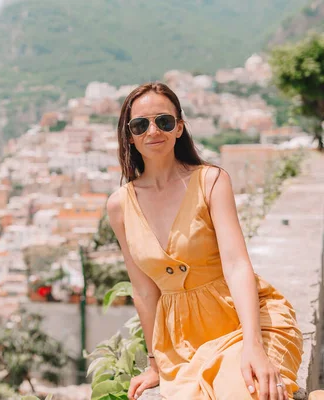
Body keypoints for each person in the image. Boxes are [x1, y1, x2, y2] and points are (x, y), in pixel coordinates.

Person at [106, 82, 303, 400]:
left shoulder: (210, 181)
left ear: (179, 128)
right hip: (182, 344)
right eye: (140, 124)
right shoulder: (119, 205)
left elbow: (237, 265)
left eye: (164, 121)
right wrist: (154, 364)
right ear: (129, 135)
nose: (153, 131)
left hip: (246, 324)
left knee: (248, 392)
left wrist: (253, 346)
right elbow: (144, 290)